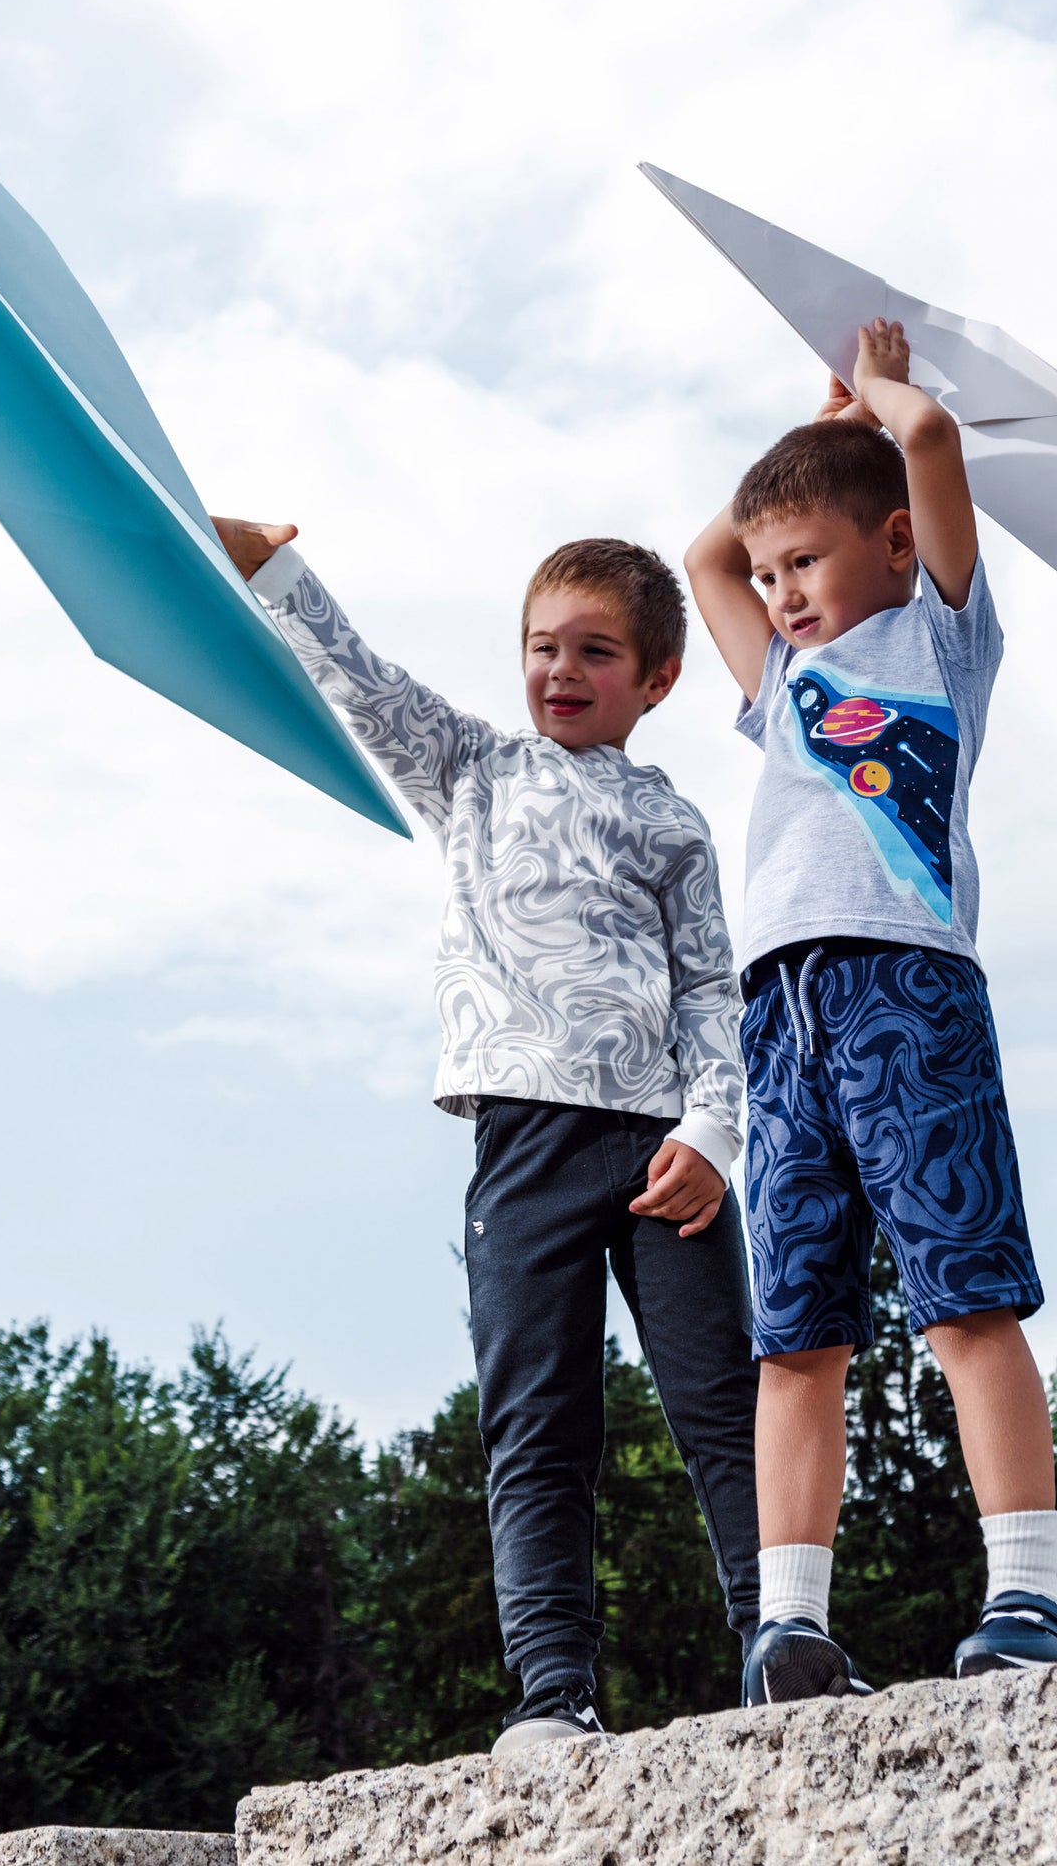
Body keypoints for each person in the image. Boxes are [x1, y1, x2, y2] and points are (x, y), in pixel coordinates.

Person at [212, 519, 761, 1752]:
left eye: (595, 652)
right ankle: (553, 1690)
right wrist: (275, 571)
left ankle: (777, 1642)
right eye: (540, 646)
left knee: (722, 1401)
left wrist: (713, 1133)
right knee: (537, 1421)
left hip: (665, 1152)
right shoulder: (472, 770)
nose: (560, 669)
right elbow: (363, 683)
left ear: (657, 678)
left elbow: (710, 991)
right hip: (522, 1156)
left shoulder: (673, 821)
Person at [683, 317, 1057, 1704]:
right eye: (773, 573)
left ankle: (1026, 1592)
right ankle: (789, 1625)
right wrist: (810, 435)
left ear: (896, 545)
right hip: (779, 1008)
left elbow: (926, 438)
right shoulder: (781, 686)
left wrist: (870, 403)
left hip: (903, 989)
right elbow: (702, 558)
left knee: (963, 1297)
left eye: (805, 561)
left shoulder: (940, 641)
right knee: (794, 1331)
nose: (779, 590)